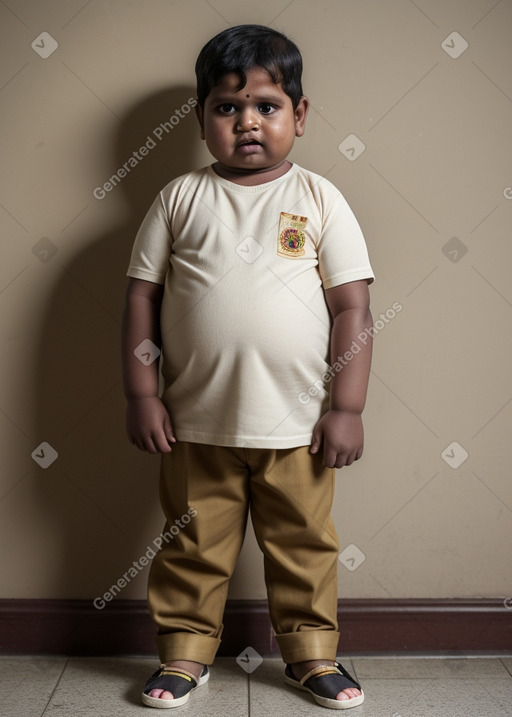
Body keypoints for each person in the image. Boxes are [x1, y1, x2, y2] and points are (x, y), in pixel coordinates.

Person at [121, 24, 374, 710]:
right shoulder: (179, 198)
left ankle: (312, 654)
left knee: (303, 546)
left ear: (300, 114)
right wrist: (144, 391)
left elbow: (353, 308)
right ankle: (184, 653)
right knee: (192, 547)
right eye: (227, 108)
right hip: (195, 424)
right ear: (202, 119)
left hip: (297, 426)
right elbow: (142, 300)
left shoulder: (320, 199)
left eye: (267, 104)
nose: (248, 122)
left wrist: (346, 406)